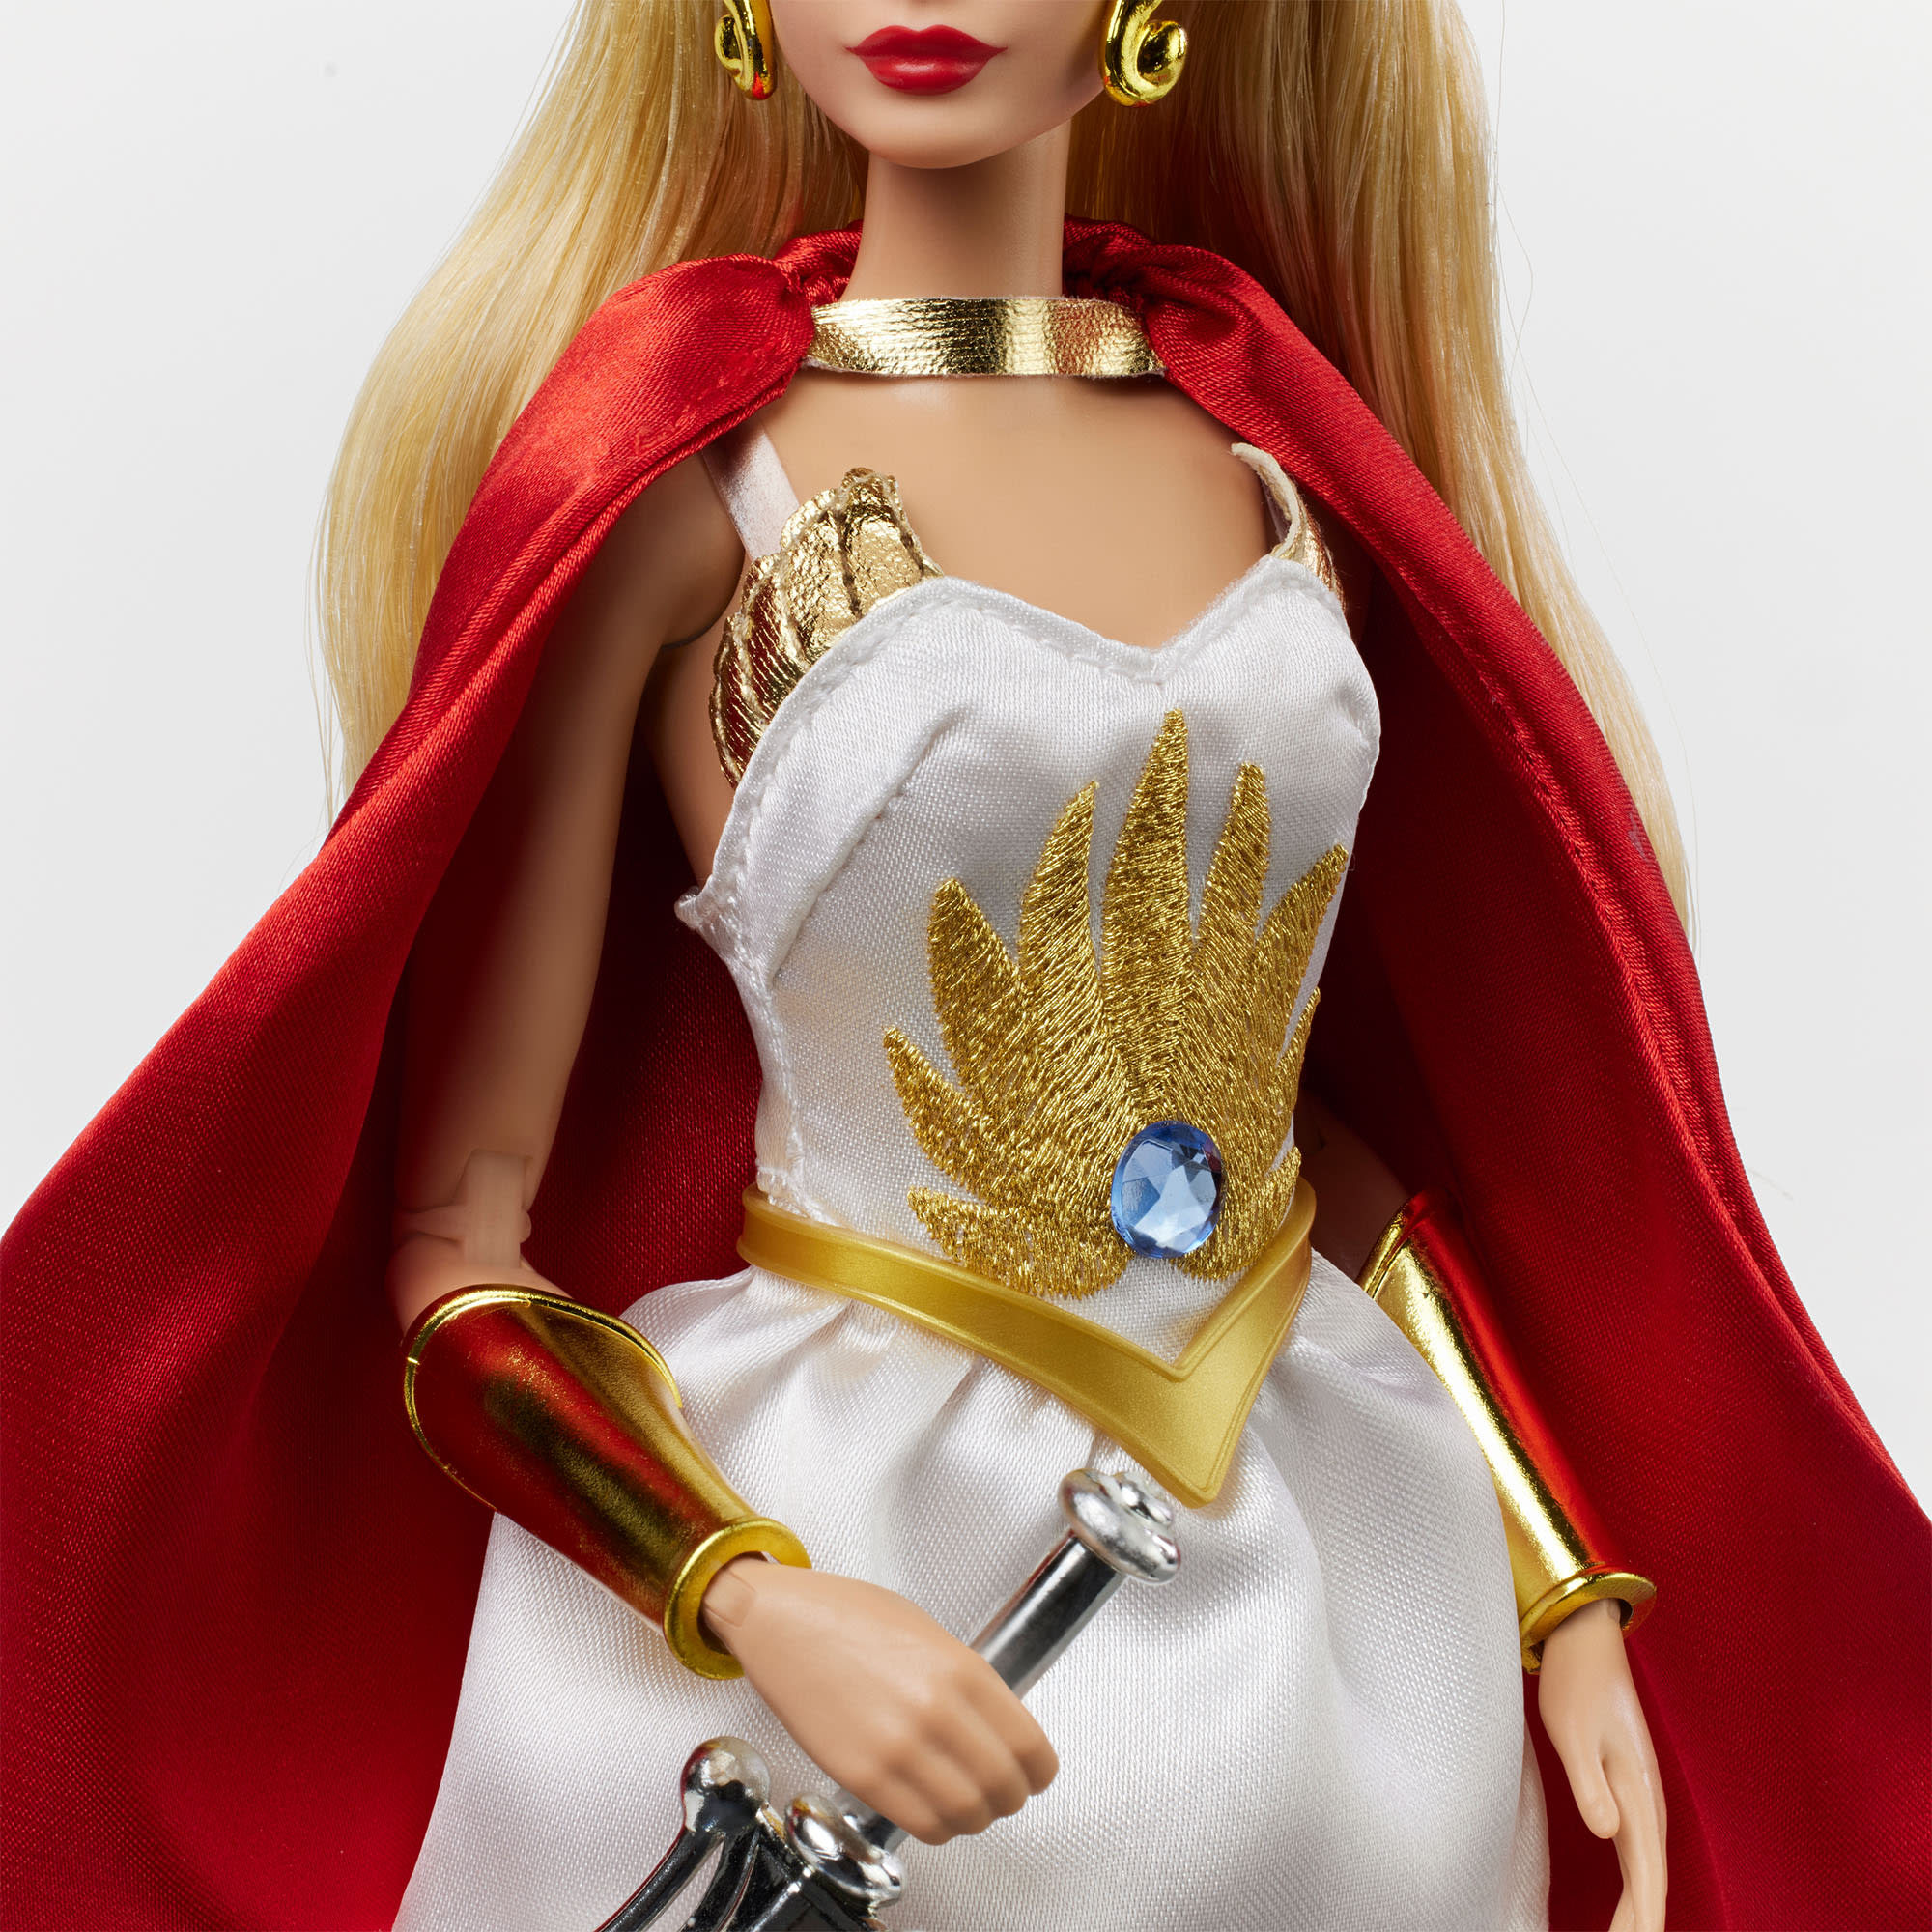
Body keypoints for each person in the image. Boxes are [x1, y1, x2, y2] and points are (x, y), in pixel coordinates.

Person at [2, 5, 1925, 1931]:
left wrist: (1556, 1581)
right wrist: (752, 1593)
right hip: (851, 1523)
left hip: (1334, 1550)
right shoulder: (690, 493)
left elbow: (1296, 1143)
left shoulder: (1272, 467)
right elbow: (456, 1255)